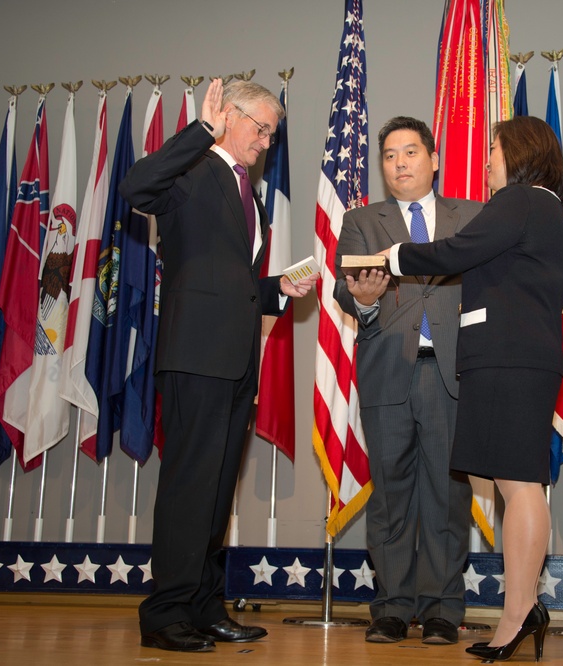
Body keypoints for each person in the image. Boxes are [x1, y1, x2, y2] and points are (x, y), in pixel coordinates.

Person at [120, 78, 318, 653]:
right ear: (228, 117)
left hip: (234, 360)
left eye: (271, 135)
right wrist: (199, 133)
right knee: (189, 486)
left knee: (215, 492)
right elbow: (136, 186)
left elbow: (228, 280)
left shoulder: (247, 191)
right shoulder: (192, 170)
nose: (265, 142)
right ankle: (164, 612)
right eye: (260, 129)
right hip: (195, 356)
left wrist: (277, 289)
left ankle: (204, 605)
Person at [382, 115, 563, 662]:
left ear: (519, 152)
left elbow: (455, 253)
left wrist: (397, 257)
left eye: (493, 149)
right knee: (517, 484)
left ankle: (518, 615)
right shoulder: (542, 207)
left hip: (512, 359)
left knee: (520, 486)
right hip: (513, 358)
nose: (487, 158)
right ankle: (521, 609)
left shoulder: (520, 200)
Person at [334, 116, 481, 645]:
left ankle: (443, 608)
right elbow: (342, 290)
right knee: (391, 495)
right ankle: (392, 607)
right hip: (387, 373)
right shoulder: (362, 220)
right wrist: (364, 302)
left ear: (434, 159)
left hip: (451, 373)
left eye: (411, 152)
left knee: (447, 494)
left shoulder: (473, 217)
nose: (400, 164)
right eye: (390, 156)